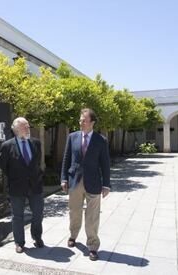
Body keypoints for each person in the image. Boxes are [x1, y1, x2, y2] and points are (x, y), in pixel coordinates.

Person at [60, 108, 111, 261]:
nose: (81, 122)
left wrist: (106, 184)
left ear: (92, 122)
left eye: (84, 120)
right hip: (75, 181)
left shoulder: (101, 140)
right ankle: (73, 235)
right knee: (74, 212)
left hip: (94, 182)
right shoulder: (72, 137)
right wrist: (63, 178)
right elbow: (66, 158)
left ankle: (93, 246)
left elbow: (105, 164)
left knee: (92, 216)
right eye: (80, 120)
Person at [0, 117, 44, 253]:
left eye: (28, 126)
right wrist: (15, 178)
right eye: (25, 126)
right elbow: (3, 166)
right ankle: (19, 242)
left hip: (35, 185)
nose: (28, 128)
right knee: (17, 216)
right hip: (17, 186)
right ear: (16, 129)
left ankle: (37, 237)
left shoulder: (36, 143)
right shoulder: (7, 146)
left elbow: (37, 163)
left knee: (38, 213)